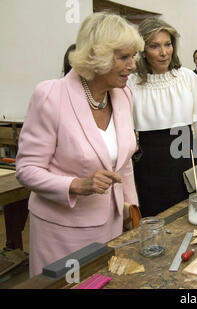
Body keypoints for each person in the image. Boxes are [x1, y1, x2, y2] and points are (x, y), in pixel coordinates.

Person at [15, 12, 144, 277]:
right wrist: (77, 185)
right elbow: (26, 169)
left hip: (109, 226)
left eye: (133, 56)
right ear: (98, 57)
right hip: (61, 233)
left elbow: (125, 163)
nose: (132, 65)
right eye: (123, 58)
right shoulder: (51, 95)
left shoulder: (123, 95)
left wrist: (132, 208)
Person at [128, 17, 197, 217]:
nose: (163, 52)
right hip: (148, 167)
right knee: (154, 222)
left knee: (187, 219)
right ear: (142, 50)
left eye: (167, 44)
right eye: (154, 46)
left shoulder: (187, 78)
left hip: (185, 163)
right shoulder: (131, 84)